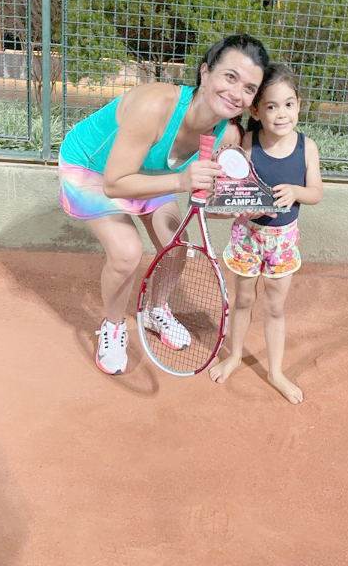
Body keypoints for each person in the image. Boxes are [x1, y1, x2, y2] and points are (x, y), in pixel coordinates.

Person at [59, 34, 270, 375]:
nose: (236, 93)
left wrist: (245, 209)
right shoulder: (155, 105)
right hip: (94, 169)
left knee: (176, 247)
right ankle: (113, 326)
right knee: (127, 252)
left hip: (149, 173)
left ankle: (156, 310)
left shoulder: (227, 135)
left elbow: (207, 204)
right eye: (230, 77)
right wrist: (181, 182)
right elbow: (115, 183)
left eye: (249, 88)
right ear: (205, 72)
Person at [209, 64, 323, 404]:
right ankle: (233, 356)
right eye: (271, 106)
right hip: (248, 235)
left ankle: (275, 372)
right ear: (256, 111)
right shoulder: (247, 143)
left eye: (289, 104)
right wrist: (245, 207)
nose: (281, 114)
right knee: (243, 300)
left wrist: (296, 192)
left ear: (299, 105)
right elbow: (236, 189)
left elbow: (315, 192)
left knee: (275, 307)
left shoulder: (307, 147)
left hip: (283, 240)